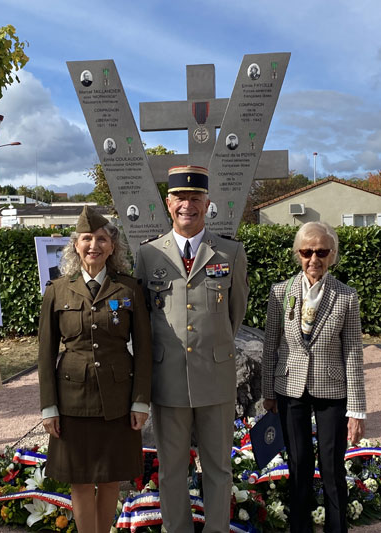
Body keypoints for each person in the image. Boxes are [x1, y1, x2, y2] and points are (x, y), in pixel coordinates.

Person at [135, 165, 249, 533]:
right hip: (167, 381)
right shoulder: (149, 255)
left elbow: (235, 315)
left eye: (195, 198)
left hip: (215, 378)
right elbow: (144, 320)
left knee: (218, 468)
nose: (188, 205)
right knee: (171, 470)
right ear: (168, 204)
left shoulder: (230, 252)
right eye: (180, 198)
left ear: (207, 203)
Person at [38, 206, 152, 533]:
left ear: (113, 246)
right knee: (82, 482)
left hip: (118, 399)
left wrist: (141, 401)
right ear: (75, 245)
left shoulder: (129, 289)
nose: (94, 245)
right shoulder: (57, 290)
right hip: (72, 400)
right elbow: (44, 353)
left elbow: (144, 350)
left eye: (102, 239)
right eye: (87, 238)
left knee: (112, 478)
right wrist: (49, 406)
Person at [261, 221, 366, 533]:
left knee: (332, 470)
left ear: (332, 255)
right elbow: (270, 347)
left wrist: (357, 410)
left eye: (322, 251)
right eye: (307, 251)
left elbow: (353, 354)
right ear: (298, 254)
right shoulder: (280, 292)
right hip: (289, 387)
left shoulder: (347, 297)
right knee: (298, 465)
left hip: (332, 390)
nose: (314, 259)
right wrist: (268, 391)